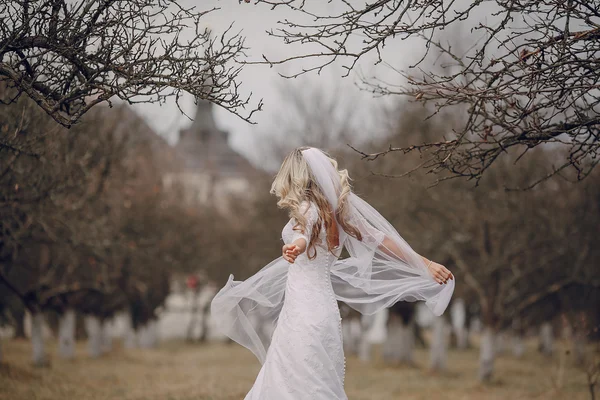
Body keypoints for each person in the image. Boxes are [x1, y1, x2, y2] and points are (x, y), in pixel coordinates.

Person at [211, 147, 455, 399]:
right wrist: (425, 263)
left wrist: (294, 247)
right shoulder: (339, 215)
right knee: (316, 382)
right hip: (325, 310)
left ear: (297, 177)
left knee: (294, 382)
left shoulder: (307, 208)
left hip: (302, 313)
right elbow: (380, 240)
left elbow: (302, 235)